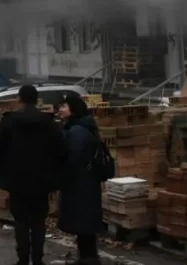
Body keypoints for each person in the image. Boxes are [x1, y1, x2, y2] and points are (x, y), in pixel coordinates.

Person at [0, 85, 66, 265]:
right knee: (39, 220)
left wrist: (9, 163)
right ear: (37, 100)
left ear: (19, 99)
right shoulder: (48, 122)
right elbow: (60, 150)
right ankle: (38, 259)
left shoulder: (8, 121)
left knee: (21, 220)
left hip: (16, 179)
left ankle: (22, 259)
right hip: (41, 179)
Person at [58, 95, 104, 265]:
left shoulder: (77, 131)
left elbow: (74, 159)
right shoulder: (82, 126)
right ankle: (88, 257)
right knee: (85, 223)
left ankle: (88, 259)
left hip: (80, 184)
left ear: (74, 109)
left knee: (83, 222)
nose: (60, 110)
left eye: (64, 106)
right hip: (85, 183)